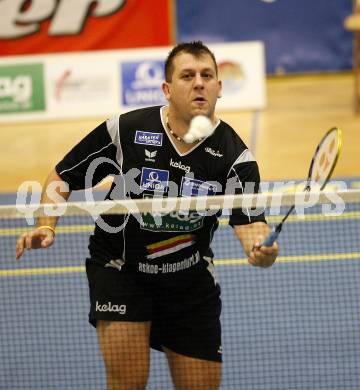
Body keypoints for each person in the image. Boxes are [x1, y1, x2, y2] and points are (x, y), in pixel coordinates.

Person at [16, 41, 278, 390]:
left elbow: (250, 224)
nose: (198, 82)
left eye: (206, 75)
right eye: (187, 75)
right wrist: (46, 226)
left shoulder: (235, 157)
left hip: (189, 281)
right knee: (128, 383)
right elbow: (63, 176)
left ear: (219, 87)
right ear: (167, 89)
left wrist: (262, 251)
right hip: (121, 272)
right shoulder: (126, 130)